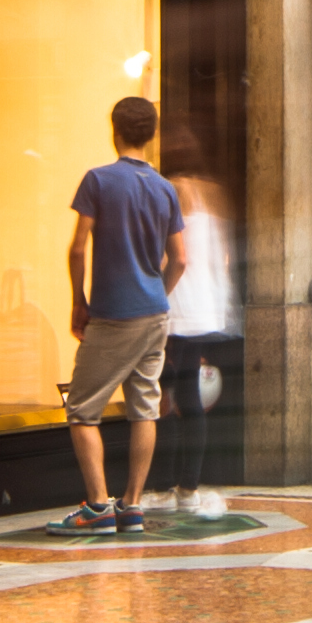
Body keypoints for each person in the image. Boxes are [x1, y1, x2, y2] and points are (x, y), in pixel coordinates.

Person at [58, 99, 187, 531]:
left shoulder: (98, 181)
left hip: (113, 314)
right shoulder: (165, 188)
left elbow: (78, 247)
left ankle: (97, 506)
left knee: (81, 408)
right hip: (154, 313)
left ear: (114, 130)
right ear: (151, 135)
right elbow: (181, 259)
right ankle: (131, 505)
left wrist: (78, 299)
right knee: (144, 407)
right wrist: (157, 293)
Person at [162, 152, 244, 523]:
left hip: (177, 312)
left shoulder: (175, 194)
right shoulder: (211, 199)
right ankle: (185, 486)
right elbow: (220, 262)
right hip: (202, 314)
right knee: (186, 399)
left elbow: (175, 261)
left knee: (173, 399)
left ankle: (177, 484)